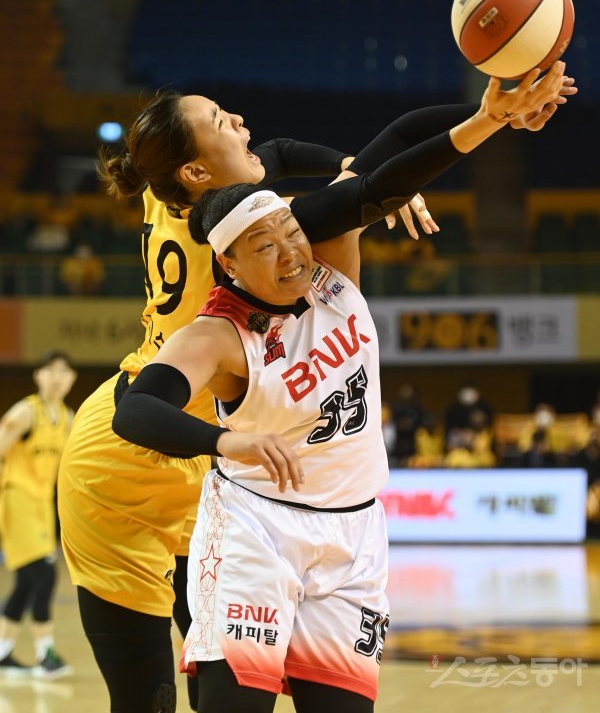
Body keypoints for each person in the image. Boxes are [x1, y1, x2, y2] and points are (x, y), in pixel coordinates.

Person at [58, 61, 572, 712]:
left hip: (228, 465)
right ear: (198, 176)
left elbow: (294, 158)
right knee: (152, 699)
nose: (241, 123)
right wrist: (474, 128)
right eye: (220, 121)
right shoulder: (253, 248)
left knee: (221, 681)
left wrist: (491, 117)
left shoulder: (184, 194)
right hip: (132, 459)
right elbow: (366, 186)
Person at [0, 350, 77, 679]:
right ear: (38, 376)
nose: (57, 378)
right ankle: (46, 654)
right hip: (17, 499)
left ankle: (3, 652)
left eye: (63, 372)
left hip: (43, 504)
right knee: (44, 575)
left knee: (26, 581)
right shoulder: (25, 412)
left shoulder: (68, 417)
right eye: (50, 371)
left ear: (72, 378)